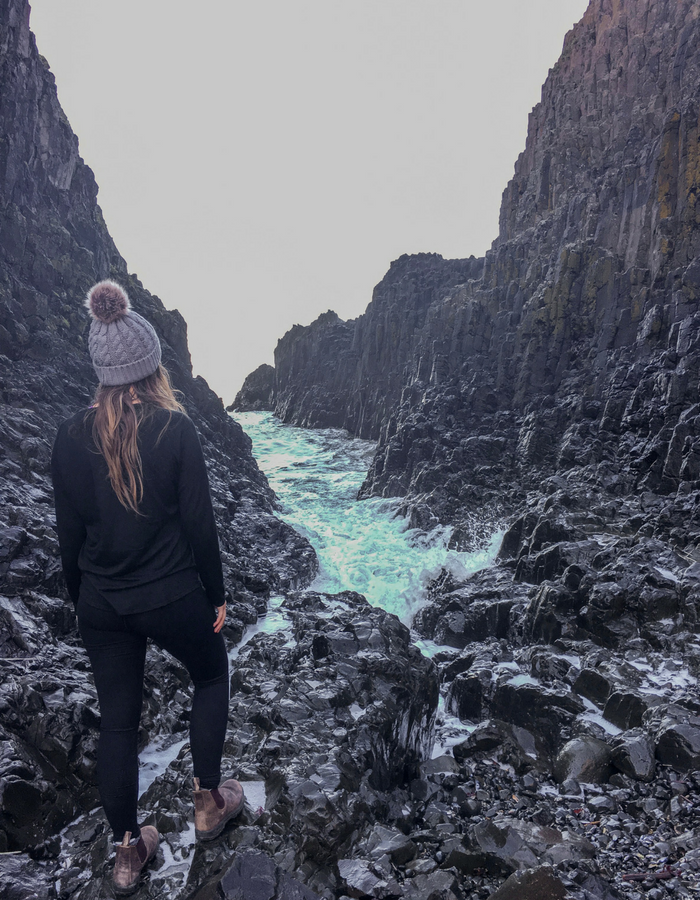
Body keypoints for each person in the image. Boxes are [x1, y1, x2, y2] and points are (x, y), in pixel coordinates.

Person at [51, 280, 244, 895]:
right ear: (150, 366)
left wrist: (87, 604)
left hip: (102, 605)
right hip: (171, 596)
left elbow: (68, 541)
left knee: (118, 724)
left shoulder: (67, 438)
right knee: (211, 675)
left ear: (104, 373)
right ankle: (210, 803)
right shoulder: (174, 429)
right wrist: (216, 597)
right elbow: (200, 528)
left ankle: (129, 853)